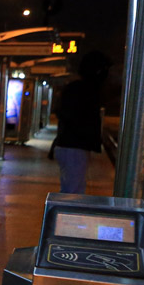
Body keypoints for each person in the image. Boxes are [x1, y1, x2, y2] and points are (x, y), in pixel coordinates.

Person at [52, 51, 111, 194]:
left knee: (72, 187)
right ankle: (66, 215)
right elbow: (72, 115)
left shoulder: (77, 88)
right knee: (73, 190)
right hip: (74, 146)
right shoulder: (85, 90)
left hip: (71, 145)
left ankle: (67, 214)